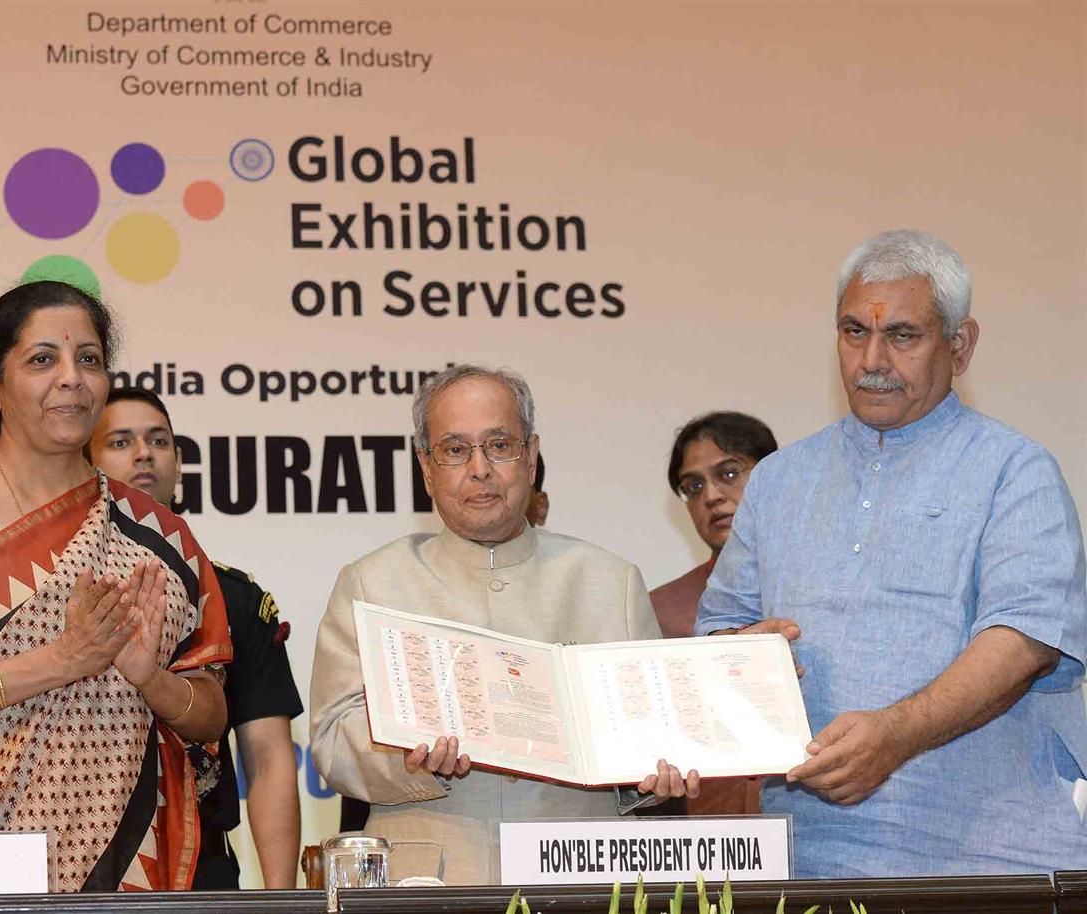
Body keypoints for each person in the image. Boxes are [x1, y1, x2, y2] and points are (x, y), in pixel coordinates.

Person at [697, 229, 1087, 876]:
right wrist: (744, 656)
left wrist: (895, 735)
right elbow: (718, 635)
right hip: (812, 860)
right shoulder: (779, 482)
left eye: (902, 336)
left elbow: (1024, 640)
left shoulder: (1015, 472)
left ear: (959, 347)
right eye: (854, 332)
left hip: (990, 869)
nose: (872, 359)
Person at [0, 282, 232, 893]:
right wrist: (61, 661)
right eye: (43, 360)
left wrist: (150, 679)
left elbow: (211, 714)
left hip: (121, 867)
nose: (72, 378)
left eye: (88, 359)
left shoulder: (158, 532)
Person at [310, 364, 691, 885]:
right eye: (455, 450)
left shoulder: (610, 581)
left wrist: (653, 776)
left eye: (499, 445)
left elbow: (649, 744)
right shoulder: (372, 582)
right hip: (431, 883)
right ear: (426, 468)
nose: (480, 469)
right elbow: (332, 742)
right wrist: (409, 756)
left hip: (577, 877)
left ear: (531, 457)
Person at [89, 387, 303, 889]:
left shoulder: (234, 599)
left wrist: (281, 899)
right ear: (84, 462)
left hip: (201, 871)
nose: (143, 453)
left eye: (158, 440)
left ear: (180, 463)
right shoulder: (56, 596)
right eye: (120, 442)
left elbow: (269, 759)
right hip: (78, 865)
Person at [648, 412, 777, 817]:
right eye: (694, 486)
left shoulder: (822, 592)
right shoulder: (660, 609)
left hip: (818, 841)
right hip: (706, 853)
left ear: (774, 475)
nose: (712, 496)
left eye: (730, 473)